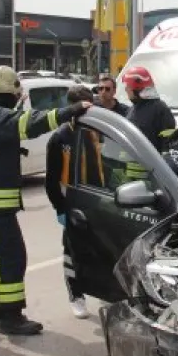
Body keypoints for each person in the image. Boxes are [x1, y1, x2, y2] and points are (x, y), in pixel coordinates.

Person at [0, 65, 92, 335]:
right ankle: (11, 317)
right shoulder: (1, 118)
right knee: (11, 258)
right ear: (11, 94)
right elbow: (35, 122)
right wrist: (72, 110)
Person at [45, 84, 103, 320]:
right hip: (72, 203)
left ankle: (99, 289)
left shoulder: (95, 132)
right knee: (72, 253)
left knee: (98, 250)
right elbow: (51, 179)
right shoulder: (60, 137)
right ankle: (76, 296)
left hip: (98, 201)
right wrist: (60, 207)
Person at [122, 66, 176, 152]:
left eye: (128, 86)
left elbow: (168, 145)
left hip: (151, 164)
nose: (126, 89)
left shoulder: (160, 109)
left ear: (137, 88)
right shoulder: (132, 109)